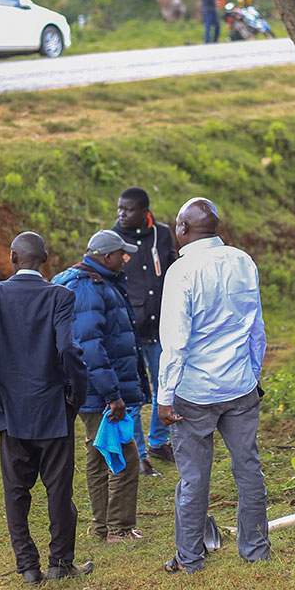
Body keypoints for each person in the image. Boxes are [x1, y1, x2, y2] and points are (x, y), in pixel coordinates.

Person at [0, 232, 93, 586]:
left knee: (16, 492)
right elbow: (68, 348)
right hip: (53, 408)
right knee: (59, 490)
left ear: (13, 257)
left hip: (11, 412)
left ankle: (28, 568)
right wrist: (75, 394)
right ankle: (60, 564)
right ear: (46, 259)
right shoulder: (60, 296)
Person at [158, 198, 269, 574]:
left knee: (193, 477)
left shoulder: (181, 271)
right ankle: (255, 549)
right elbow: (256, 327)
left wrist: (164, 395)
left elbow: (175, 340)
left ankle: (190, 559)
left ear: (182, 229)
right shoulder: (243, 261)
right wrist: (253, 374)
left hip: (195, 392)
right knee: (248, 468)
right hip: (240, 386)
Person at [51, 229, 149, 543]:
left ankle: (103, 528)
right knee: (123, 453)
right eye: (122, 254)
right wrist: (112, 394)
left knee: (98, 453)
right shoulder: (90, 289)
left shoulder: (94, 282)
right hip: (98, 391)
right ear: (106, 256)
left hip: (91, 389)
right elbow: (90, 348)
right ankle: (118, 530)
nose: (126, 258)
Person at [110, 187, 178, 477]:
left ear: (144, 211)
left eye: (127, 210)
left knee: (166, 384)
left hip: (162, 324)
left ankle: (159, 442)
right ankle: (137, 455)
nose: (120, 215)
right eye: (119, 209)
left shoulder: (162, 234)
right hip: (130, 328)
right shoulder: (113, 239)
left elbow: (173, 269)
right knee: (136, 394)